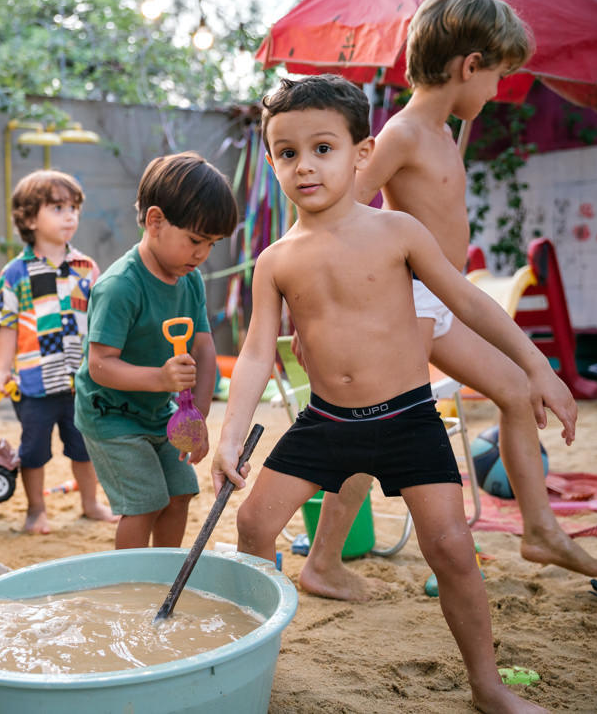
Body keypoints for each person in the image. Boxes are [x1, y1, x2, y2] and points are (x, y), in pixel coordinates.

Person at [213, 74, 569, 713]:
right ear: (270, 161)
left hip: (408, 418)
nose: (305, 165)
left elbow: (466, 302)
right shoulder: (276, 260)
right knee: (253, 523)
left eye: (323, 148)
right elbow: (258, 353)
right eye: (288, 152)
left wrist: (536, 366)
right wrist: (232, 436)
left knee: (451, 547)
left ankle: (488, 686)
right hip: (325, 422)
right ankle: (250, 666)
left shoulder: (398, 231)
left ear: (362, 153)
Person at [301, 0, 597, 602]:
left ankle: (540, 530)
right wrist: (316, 310)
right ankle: (323, 562)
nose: (497, 90)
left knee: (517, 391)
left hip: (440, 302)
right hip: (405, 304)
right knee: (375, 427)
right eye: (497, 75)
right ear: (469, 66)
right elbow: (336, 211)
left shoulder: (442, 132)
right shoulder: (403, 133)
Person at [75, 152, 238, 549]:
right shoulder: (120, 286)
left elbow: (204, 348)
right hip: (110, 415)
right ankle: (131, 578)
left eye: (212, 244)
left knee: (181, 492)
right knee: (145, 502)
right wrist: (161, 379)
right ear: (155, 221)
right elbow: (100, 365)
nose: (202, 254)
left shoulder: (190, 280)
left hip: (158, 412)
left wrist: (197, 419)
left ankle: (162, 571)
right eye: (195, 240)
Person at [0, 169, 117, 534]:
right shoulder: (14, 273)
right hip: (34, 384)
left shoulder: (86, 269)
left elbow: (100, 321)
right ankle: (36, 510)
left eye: (74, 208)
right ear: (30, 218)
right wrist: (1, 369)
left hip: (81, 381)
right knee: (33, 451)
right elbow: (7, 324)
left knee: (84, 446)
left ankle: (91, 503)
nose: (70, 216)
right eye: (58, 208)